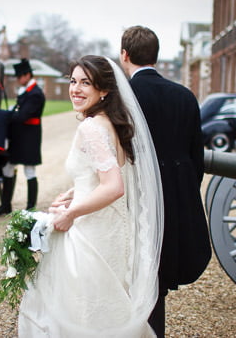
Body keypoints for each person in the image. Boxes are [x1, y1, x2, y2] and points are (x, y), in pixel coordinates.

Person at [18, 55, 163, 337]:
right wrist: (76, 193)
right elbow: (103, 174)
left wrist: (70, 213)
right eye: (73, 81)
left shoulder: (90, 127)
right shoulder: (110, 121)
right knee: (104, 309)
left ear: (104, 90)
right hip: (112, 230)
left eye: (86, 83)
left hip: (91, 233)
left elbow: (114, 186)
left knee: (82, 312)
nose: (76, 89)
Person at [120, 25, 212, 337]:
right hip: (177, 194)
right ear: (155, 56)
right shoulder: (185, 96)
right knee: (161, 270)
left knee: (142, 269)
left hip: (139, 197)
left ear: (125, 54)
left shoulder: (125, 96)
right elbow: (196, 156)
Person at [0, 59, 45, 217]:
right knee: (8, 168)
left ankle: (30, 208)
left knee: (29, 171)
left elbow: (23, 115)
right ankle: (5, 205)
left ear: (27, 75)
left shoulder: (35, 94)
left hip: (29, 138)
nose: (18, 80)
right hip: (18, 136)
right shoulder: (27, 91)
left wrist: (7, 115)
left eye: (20, 77)